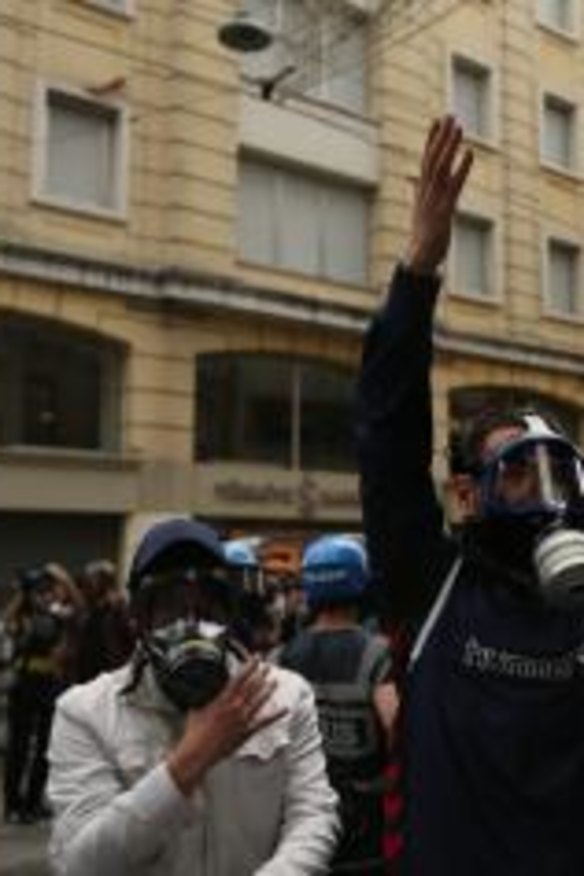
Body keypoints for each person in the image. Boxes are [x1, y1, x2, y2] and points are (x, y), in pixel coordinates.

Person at [356, 113, 584, 874]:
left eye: (558, 469)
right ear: (466, 494)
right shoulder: (432, 583)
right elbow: (387, 436)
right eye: (517, 470)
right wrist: (418, 271)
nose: (544, 491)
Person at [48, 517, 339, 875]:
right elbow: (81, 864)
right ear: (139, 618)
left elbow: (313, 818)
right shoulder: (85, 712)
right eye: (170, 608)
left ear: (229, 613)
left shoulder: (285, 697)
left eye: (207, 608)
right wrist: (189, 761)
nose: (191, 625)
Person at [277, 534, 398, 875]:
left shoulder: (284, 654)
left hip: (302, 816)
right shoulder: (377, 652)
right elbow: (395, 726)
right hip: (366, 825)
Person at [2, 562, 81, 823]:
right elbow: (8, 621)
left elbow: (80, 609)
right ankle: (13, 804)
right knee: (19, 746)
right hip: (24, 684)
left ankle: (34, 802)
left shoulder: (56, 614)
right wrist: (22, 594)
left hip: (49, 685)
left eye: (47, 590)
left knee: (46, 747)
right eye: (38, 591)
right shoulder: (19, 616)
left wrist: (65, 579)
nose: (44, 595)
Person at [74, 559, 135, 683]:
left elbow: (130, 639)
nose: (88, 583)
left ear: (105, 580)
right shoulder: (89, 607)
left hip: (109, 674)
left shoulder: (117, 607)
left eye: (92, 578)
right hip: (87, 675)